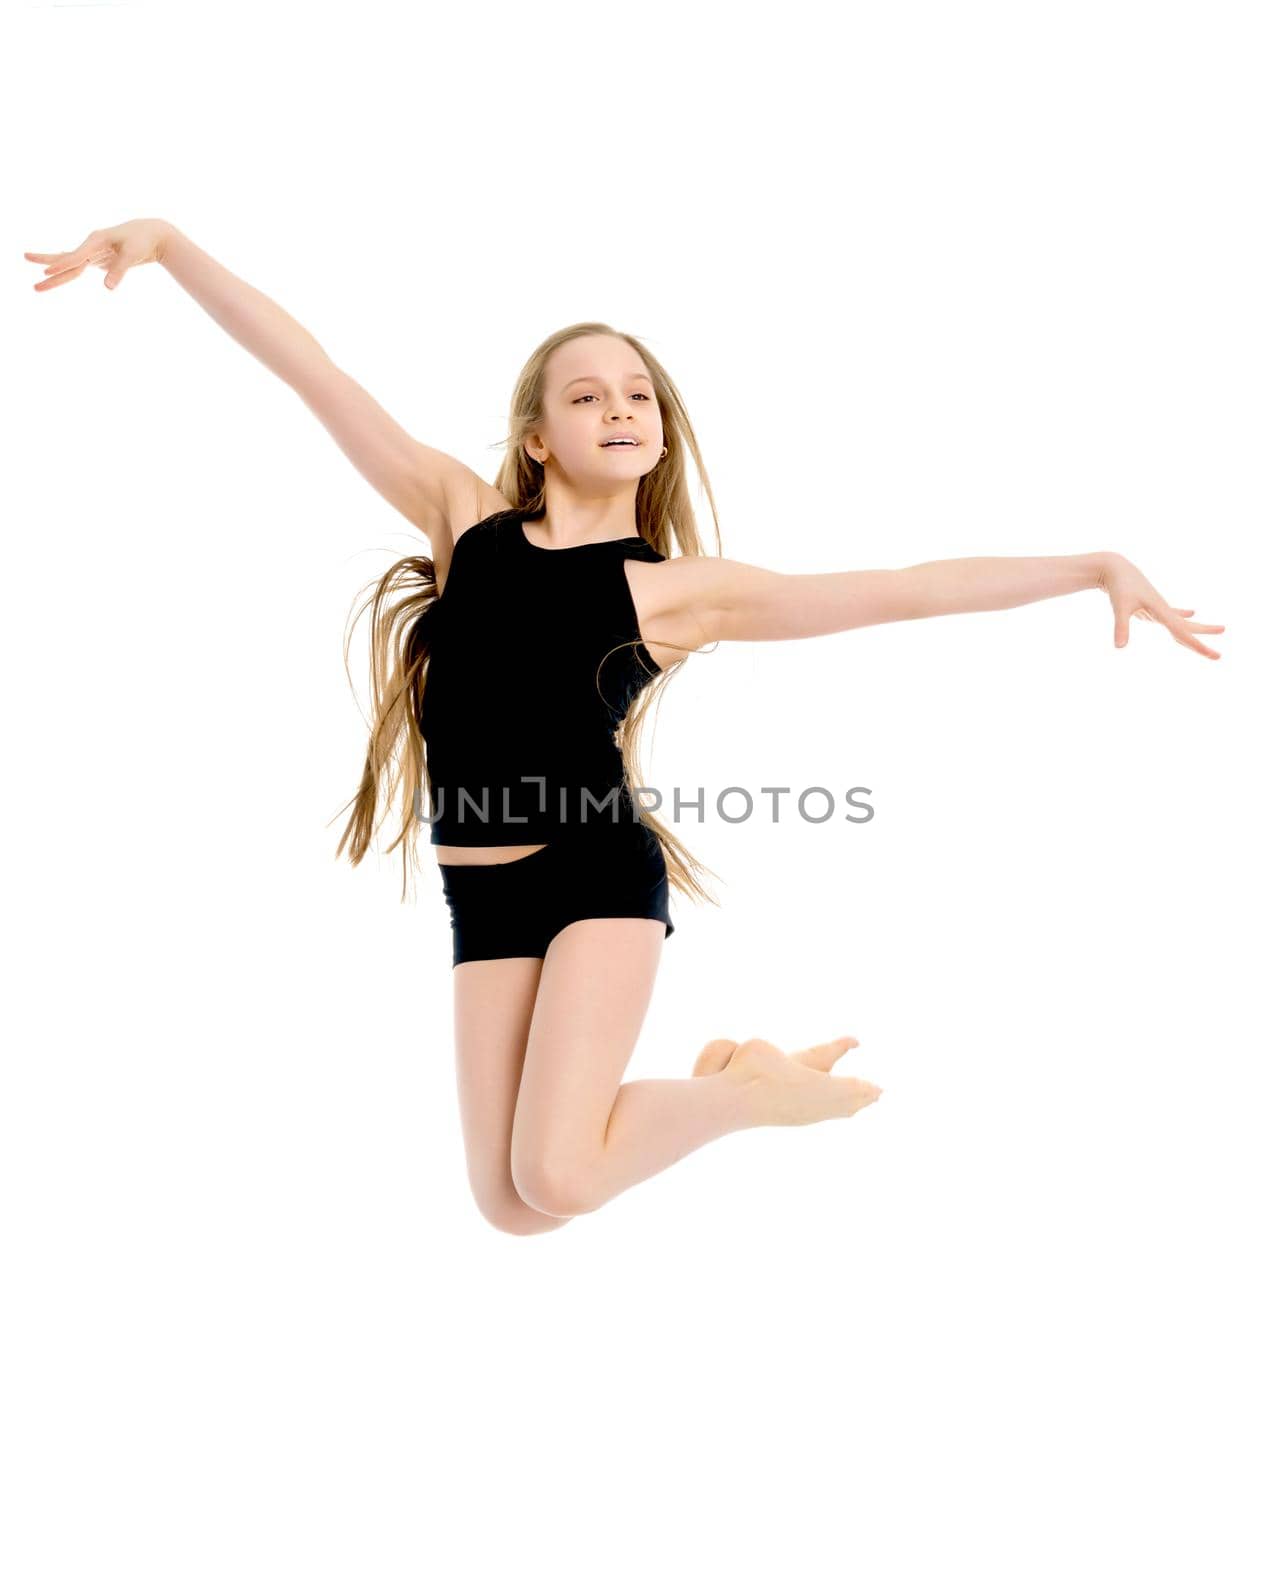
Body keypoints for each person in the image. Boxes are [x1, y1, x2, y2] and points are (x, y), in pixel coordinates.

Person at [26, 219, 1227, 1235]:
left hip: (595, 873)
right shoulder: (465, 522)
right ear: (537, 436)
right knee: (510, 1206)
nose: (619, 406)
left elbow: (898, 585)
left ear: (658, 431)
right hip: (480, 894)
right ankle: (742, 1083)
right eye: (585, 393)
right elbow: (318, 375)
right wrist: (173, 248)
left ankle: (756, 1095)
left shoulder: (679, 594)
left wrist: (1089, 565)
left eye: (639, 393)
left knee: (554, 1171)